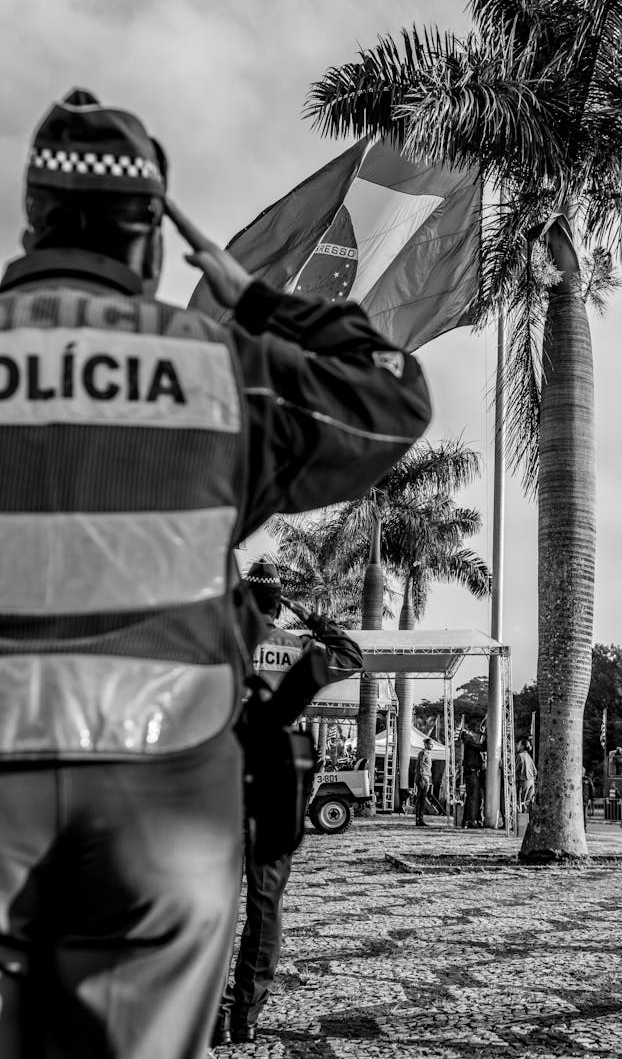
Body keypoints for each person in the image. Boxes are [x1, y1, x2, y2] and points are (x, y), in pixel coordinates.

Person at [0, 89, 431, 1059]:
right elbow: (395, 393)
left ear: (31, 221)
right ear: (151, 245)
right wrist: (252, 295)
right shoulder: (219, 369)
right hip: (162, 803)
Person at [214, 560, 362, 1046]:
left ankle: (210, 1012)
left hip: (216, 782)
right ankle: (245, 1016)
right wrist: (313, 617)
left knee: (211, 904)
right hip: (274, 787)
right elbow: (350, 654)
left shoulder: (218, 645)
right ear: (279, 605)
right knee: (265, 905)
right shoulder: (298, 649)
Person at [459, 718, 487, 828]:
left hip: (473, 772)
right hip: (471, 771)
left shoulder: (470, 740)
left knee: (474, 797)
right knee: (472, 797)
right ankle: (469, 820)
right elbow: (481, 747)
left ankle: (470, 819)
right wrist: (486, 738)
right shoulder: (468, 738)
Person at [414, 738, 434, 826]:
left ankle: (420, 818)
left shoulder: (428, 753)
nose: (431, 746)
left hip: (426, 776)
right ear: (426, 745)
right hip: (422, 777)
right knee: (420, 798)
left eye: (432, 744)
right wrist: (421, 777)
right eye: (430, 744)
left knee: (423, 799)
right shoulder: (423, 753)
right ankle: (418, 819)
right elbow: (419, 765)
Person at [516, 739, 537, 811]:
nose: (517, 746)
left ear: (522, 746)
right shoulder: (528, 756)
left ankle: (521, 821)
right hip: (531, 782)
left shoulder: (520, 756)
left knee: (520, 804)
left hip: (524, 781)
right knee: (528, 804)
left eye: (518, 744)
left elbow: (515, 769)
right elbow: (535, 771)